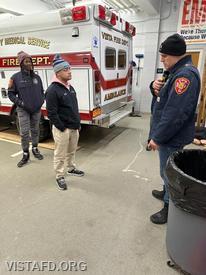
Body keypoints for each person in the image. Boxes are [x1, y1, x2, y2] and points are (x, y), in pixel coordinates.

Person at [148, 34, 201, 224]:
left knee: (169, 173)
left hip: (171, 137)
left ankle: (169, 207)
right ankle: (166, 193)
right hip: (169, 135)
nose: (162, 59)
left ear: (176, 55)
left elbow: (175, 113)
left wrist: (158, 138)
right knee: (166, 170)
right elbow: (164, 96)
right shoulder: (175, 71)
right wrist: (153, 87)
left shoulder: (185, 76)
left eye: (165, 56)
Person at [46, 54, 84, 191]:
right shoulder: (52, 90)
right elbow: (51, 113)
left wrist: (78, 123)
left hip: (74, 127)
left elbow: (74, 107)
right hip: (62, 129)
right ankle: (59, 175)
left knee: (71, 151)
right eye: (66, 69)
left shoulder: (70, 87)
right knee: (60, 153)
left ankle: (71, 168)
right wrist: (62, 127)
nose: (70, 71)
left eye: (69, 68)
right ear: (58, 72)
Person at [8, 51, 44, 168]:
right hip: (23, 110)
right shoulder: (15, 78)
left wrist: (41, 101)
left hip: (36, 110)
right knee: (24, 133)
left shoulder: (37, 78)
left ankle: (35, 148)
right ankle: (25, 154)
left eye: (30, 61)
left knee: (35, 130)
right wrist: (21, 103)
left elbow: (41, 92)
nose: (30, 64)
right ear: (21, 64)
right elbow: (11, 94)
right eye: (27, 61)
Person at [146, 70, 169, 151]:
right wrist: (153, 85)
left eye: (164, 56)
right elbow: (153, 89)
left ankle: (158, 142)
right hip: (156, 109)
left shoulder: (179, 76)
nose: (162, 60)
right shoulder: (165, 76)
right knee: (153, 124)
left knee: (162, 126)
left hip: (165, 111)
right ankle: (150, 141)